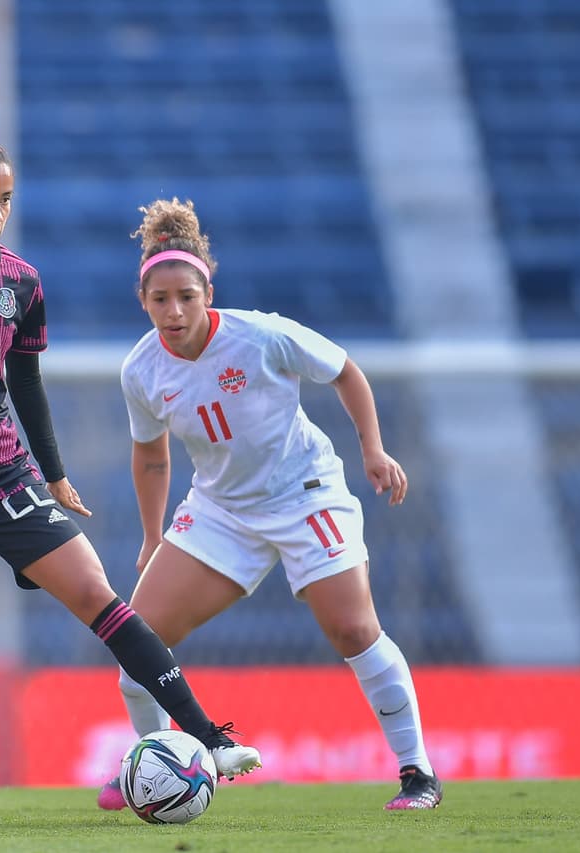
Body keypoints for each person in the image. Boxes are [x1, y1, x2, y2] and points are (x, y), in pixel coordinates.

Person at [0, 134, 261, 826]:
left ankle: (210, 737)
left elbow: (25, 381)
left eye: (4, 199)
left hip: (1, 473)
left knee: (102, 595)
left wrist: (54, 474)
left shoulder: (20, 283)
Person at [97, 198, 440, 811]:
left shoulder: (262, 334)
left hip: (305, 494)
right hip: (222, 509)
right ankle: (151, 769)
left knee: (353, 629)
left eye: (186, 296)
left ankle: (418, 774)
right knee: (137, 638)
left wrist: (373, 451)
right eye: (159, 300)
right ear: (142, 299)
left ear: (208, 290)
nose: (174, 312)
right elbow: (151, 457)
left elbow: (345, 371)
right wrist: (153, 536)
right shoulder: (140, 370)